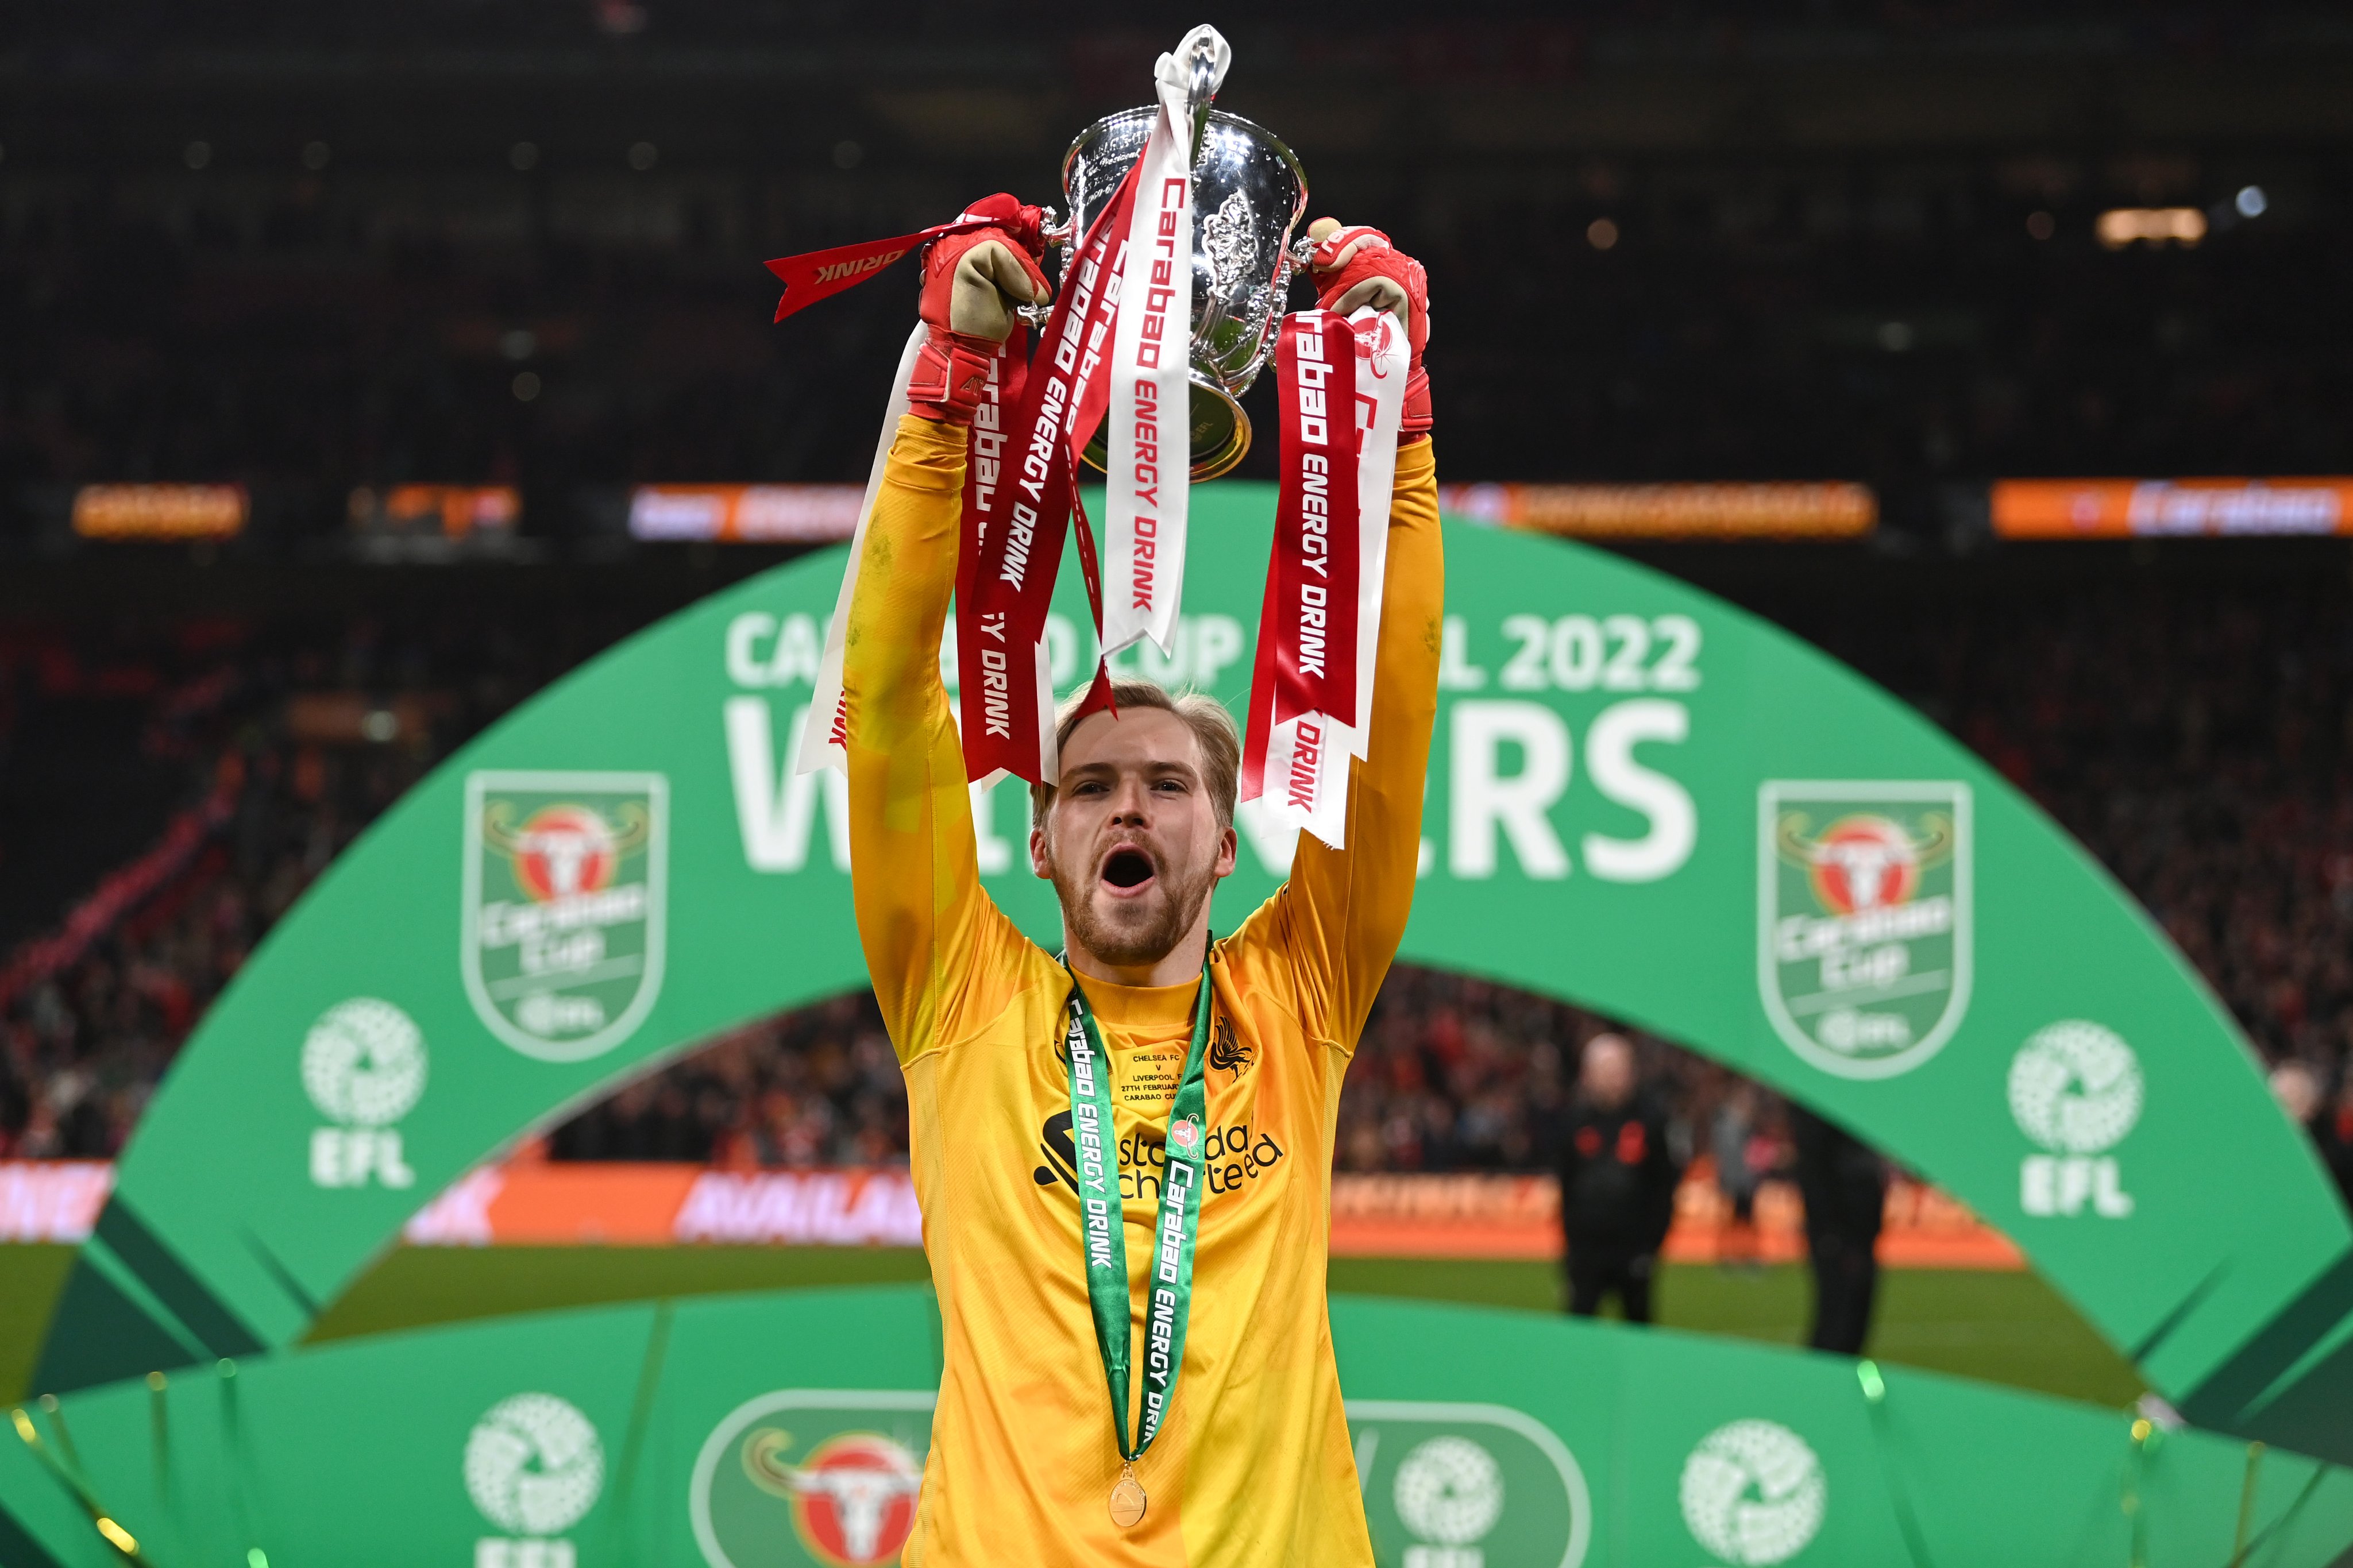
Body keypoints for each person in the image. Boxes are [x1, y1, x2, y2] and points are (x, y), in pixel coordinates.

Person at [841, 194, 1439, 1565]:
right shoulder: (956, 997)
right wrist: (947, 392)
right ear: (1040, 841)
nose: (1131, 805)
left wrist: (1392, 428)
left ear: (1226, 846)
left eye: (1169, 786)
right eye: (1094, 786)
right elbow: (886, 707)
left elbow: (1385, 718)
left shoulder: (1304, 994)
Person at [1557, 1032, 1681, 1322]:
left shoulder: (1651, 1120)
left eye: (1619, 1070)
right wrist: (1571, 1248)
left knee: (1638, 1332)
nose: (1613, 1079)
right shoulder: (1574, 1122)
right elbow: (1566, 1187)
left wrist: (1652, 1246)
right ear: (1588, 1076)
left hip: (1633, 1249)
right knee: (1579, 1336)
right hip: (1587, 1252)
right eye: (1605, 1071)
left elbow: (1664, 1186)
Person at [1788, 1104, 1887, 1355]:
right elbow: (1815, 1169)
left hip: (1855, 1230)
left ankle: (1829, 1387)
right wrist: (1832, 1234)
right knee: (1839, 1322)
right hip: (1841, 1231)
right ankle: (1821, 1389)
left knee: (1852, 1319)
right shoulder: (1817, 1113)